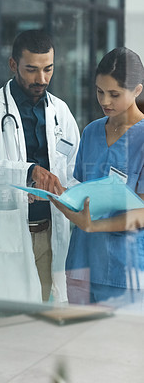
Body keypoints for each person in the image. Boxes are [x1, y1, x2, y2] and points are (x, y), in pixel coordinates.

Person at [0, 30, 80, 303]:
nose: (42, 79)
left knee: (49, 317)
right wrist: (27, 172)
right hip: (11, 232)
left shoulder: (60, 111)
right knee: (14, 319)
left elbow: (75, 168)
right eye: (31, 70)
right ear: (13, 64)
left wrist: (67, 191)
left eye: (48, 69)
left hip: (53, 230)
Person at [50, 47, 144, 306]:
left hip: (123, 270)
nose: (105, 101)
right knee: (78, 344)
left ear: (137, 90)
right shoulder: (91, 131)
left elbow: (142, 213)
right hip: (81, 261)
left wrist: (94, 225)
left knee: (116, 345)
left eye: (114, 94)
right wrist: (61, 197)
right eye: (100, 91)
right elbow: (82, 189)